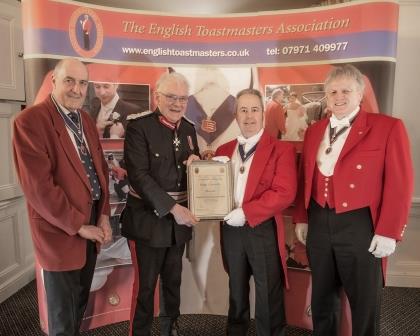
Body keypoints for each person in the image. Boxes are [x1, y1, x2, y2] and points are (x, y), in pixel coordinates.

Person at [293, 64, 413, 336]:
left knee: (364, 303)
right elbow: (305, 178)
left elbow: (400, 184)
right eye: (333, 91)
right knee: (322, 299)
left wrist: (389, 232)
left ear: (360, 94)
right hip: (320, 222)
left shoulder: (387, 127)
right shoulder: (314, 131)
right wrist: (301, 216)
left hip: (361, 225)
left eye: (346, 90)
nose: (339, 96)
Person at [12, 58, 112, 336]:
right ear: (54, 81)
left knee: (78, 306)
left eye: (82, 83)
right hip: (60, 230)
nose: (77, 89)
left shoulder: (85, 119)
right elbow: (39, 188)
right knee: (61, 318)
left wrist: (103, 214)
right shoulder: (30, 121)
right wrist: (80, 226)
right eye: (69, 80)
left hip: (91, 223)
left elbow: (99, 168)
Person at [122, 72, 200, 336]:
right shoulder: (139, 127)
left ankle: (170, 329)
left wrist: (198, 166)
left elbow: (191, 170)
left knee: (173, 283)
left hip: (177, 226)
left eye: (183, 99)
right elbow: (139, 176)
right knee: (145, 289)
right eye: (171, 97)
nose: (177, 104)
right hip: (147, 221)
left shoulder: (189, 129)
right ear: (157, 97)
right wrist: (173, 209)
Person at [215, 88, 297, 336]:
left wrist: (247, 212)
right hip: (231, 230)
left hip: (261, 229)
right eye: (243, 110)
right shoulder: (223, 149)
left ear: (263, 113)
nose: (249, 116)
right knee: (236, 291)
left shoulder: (280, 149)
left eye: (254, 110)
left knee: (267, 293)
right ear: (235, 115)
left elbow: (285, 192)